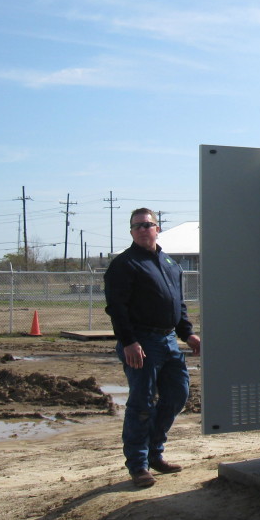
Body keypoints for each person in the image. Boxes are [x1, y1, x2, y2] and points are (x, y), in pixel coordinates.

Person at [104, 208, 201, 488]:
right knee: (142, 402)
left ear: (157, 228)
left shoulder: (169, 262)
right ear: (132, 232)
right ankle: (138, 464)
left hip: (169, 340)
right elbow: (117, 308)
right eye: (137, 226)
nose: (143, 229)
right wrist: (129, 342)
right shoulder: (124, 264)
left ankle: (155, 453)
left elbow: (178, 304)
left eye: (148, 224)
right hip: (141, 342)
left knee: (177, 394)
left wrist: (188, 335)